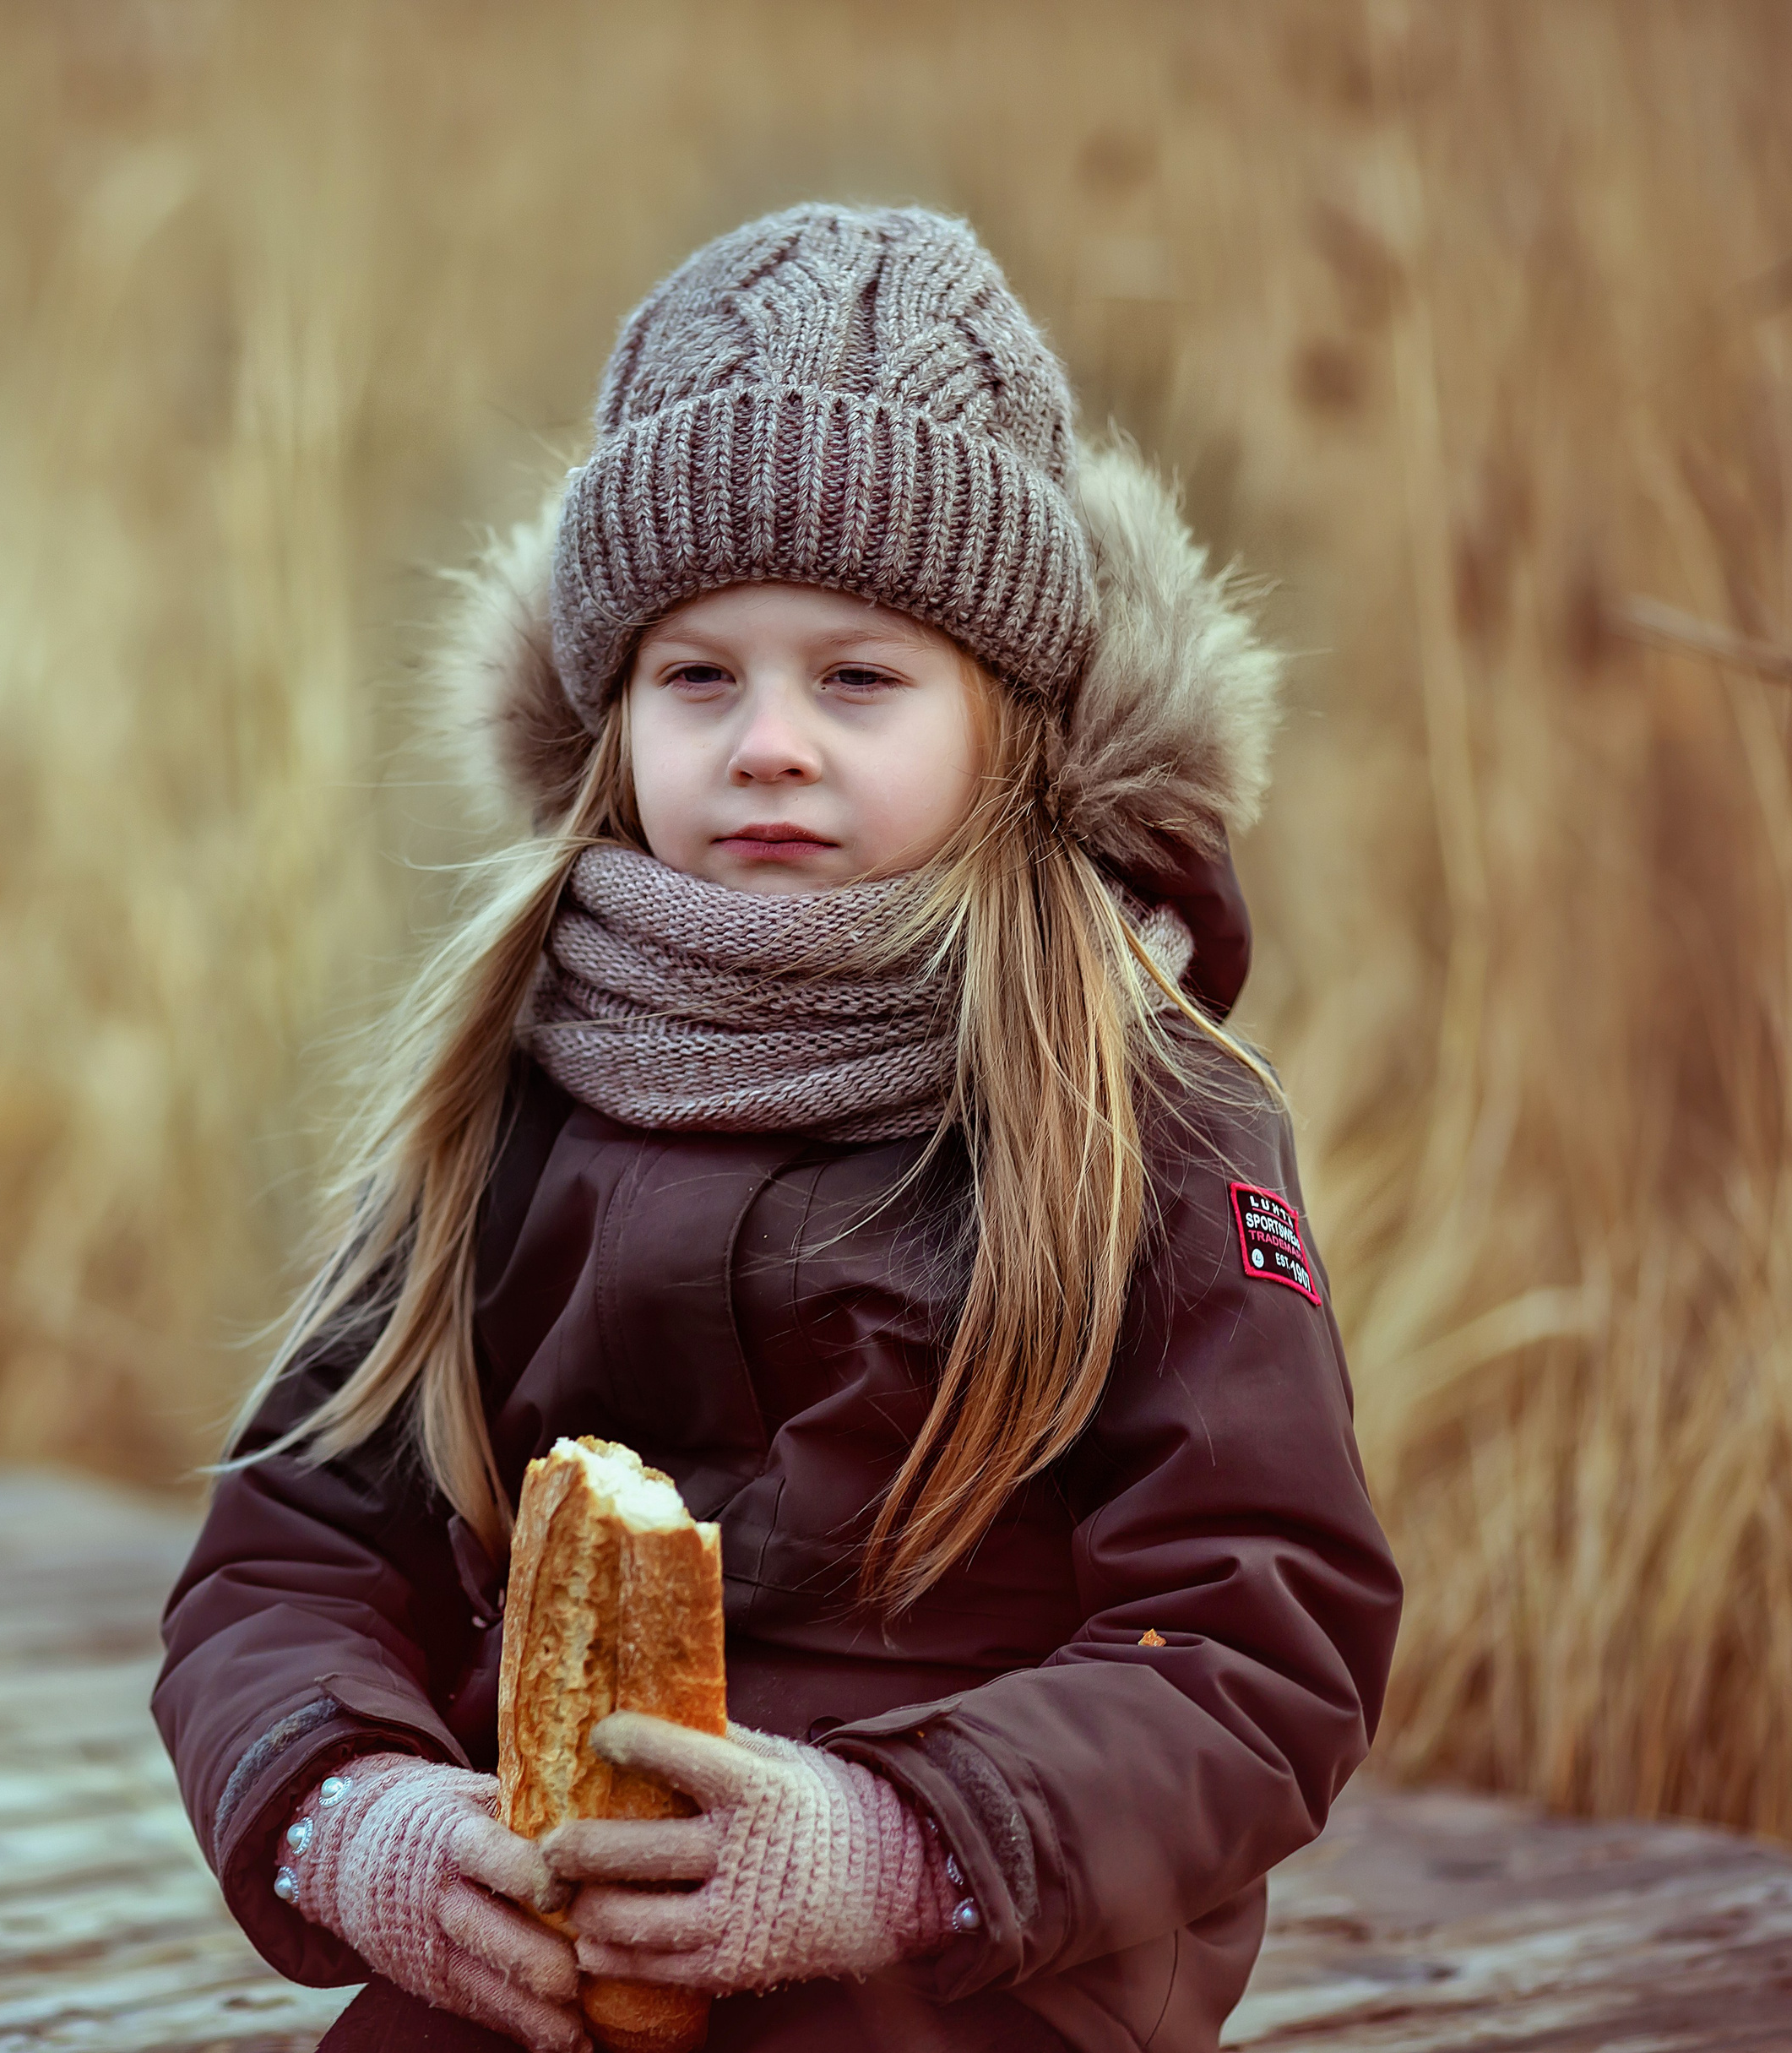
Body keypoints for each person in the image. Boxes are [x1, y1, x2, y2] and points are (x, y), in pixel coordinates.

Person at [153, 202, 1402, 2053]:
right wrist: (356, 1821)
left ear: (1014, 725)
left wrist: (897, 1850)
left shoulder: (1139, 1102)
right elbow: (294, 1546)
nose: (768, 743)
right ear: (609, 719)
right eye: (697, 674)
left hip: (986, 1958)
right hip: (554, 1934)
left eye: (858, 676)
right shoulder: (513, 1075)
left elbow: (1254, 1638)